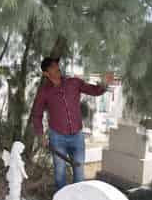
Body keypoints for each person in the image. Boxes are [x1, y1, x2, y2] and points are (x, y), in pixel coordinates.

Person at [32, 57, 113, 191]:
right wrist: (40, 135)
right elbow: (36, 114)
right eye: (52, 67)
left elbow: (94, 90)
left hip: (77, 136)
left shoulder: (73, 82)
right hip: (57, 137)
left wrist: (104, 84)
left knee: (80, 175)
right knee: (59, 174)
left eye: (56, 65)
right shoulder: (44, 92)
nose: (57, 68)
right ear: (46, 73)